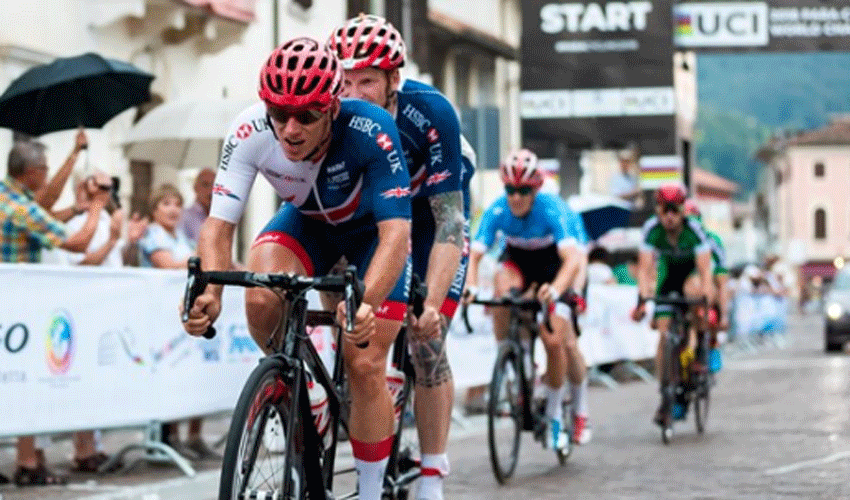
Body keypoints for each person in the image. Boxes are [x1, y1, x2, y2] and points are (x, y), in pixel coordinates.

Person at [182, 38, 412, 500]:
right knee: (260, 296)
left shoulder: (372, 128)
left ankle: (369, 493)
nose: (290, 128)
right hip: (309, 226)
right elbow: (218, 226)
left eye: (306, 115)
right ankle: (306, 391)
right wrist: (209, 288)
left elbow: (396, 236)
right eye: (278, 112)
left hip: (369, 235)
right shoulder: (248, 131)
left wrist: (366, 301)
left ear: (332, 107)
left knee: (364, 361)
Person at [328, 15, 473, 499]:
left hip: (432, 219)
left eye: (366, 79)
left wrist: (430, 302)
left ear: (394, 78)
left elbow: (450, 222)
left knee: (425, 342)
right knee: (356, 338)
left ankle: (432, 475)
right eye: (345, 80)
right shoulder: (333, 113)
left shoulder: (430, 112)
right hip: (378, 220)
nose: (354, 91)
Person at [464, 149, 590, 450]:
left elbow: (572, 261)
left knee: (558, 341)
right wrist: (469, 286)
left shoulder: (552, 209)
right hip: (519, 263)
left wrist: (558, 291)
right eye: (510, 190)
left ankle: (562, 412)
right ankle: (514, 360)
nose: (516, 197)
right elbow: (475, 256)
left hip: (555, 267)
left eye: (523, 191)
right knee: (501, 289)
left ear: (535, 190)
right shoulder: (497, 211)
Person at [0, 140, 104, 486]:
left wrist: (75, 210)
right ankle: (27, 462)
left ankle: (29, 458)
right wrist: (96, 210)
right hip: (16, 305)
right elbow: (78, 244)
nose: (46, 175)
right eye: (45, 168)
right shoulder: (19, 206)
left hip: (13, 305)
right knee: (23, 379)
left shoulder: (9, 196)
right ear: (31, 173)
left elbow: (43, 218)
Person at [138, 183, 218, 459]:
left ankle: (193, 435)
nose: (172, 210)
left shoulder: (181, 237)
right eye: (166, 204)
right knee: (171, 371)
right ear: (154, 209)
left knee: (196, 370)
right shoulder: (152, 234)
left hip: (184, 312)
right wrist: (200, 261)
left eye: (176, 204)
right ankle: (170, 436)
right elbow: (166, 264)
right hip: (159, 318)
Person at [631, 184, 714, 425]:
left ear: (682, 211)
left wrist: (705, 301)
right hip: (668, 280)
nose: (669, 216)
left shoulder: (695, 230)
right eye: (664, 210)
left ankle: (700, 348)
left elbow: (705, 271)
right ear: (658, 210)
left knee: (694, 291)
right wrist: (642, 301)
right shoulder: (651, 230)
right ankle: (665, 392)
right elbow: (645, 271)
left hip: (690, 276)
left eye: (674, 211)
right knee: (664, 334)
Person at [684, 199, 727, 372]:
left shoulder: (711, 239)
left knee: (705, 292)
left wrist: (724, 315)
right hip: (682, 283)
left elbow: (722, 277)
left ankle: (712, 344)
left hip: (704, 282)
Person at [181, 167, 215, 244]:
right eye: (205, 185)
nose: (211, 190)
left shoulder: (218, 217)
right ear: (195, 187)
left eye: (215, 185)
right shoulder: (184, 216)